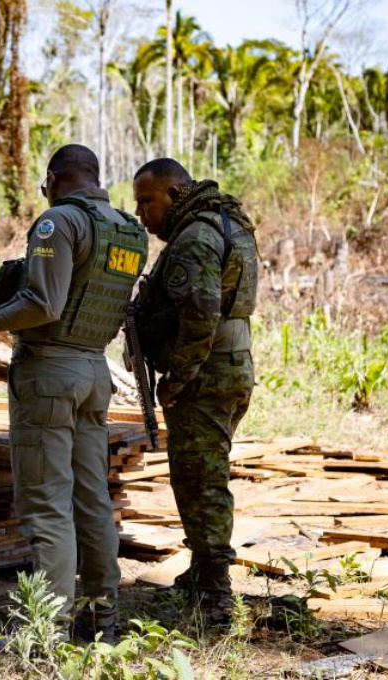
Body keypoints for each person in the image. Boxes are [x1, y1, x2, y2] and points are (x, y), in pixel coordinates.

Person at [0, 144, 148, 641]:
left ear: (54, 178)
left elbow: (43, 304)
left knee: (48, 503)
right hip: (94, 373)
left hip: (50, 373)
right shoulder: (128, 230)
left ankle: (46, 631)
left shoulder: (58, 222)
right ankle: (102, 619)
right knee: (93, 499)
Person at [131, 158, 258, 626]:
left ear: (175, 192)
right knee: (200, 473)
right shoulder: (225, 222)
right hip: (229, 366)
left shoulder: (194, 238)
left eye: (148, 200)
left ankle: (217, 595)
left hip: (205, 376)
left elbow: (201, 316)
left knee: (200, 481)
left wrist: (177, 378)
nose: (142, 213)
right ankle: (203, 570)